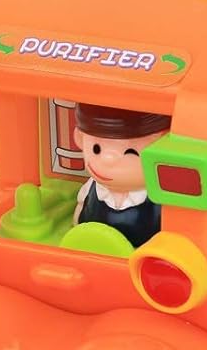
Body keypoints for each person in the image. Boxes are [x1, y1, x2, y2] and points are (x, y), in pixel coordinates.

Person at [70, 102, 171, 248]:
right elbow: (80, 209)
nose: (107, 160)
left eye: (131, 152)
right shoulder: (90, 188)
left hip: (142, 254)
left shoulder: (160, 198)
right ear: (80, 139)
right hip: (91, 248)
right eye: (96, 149)